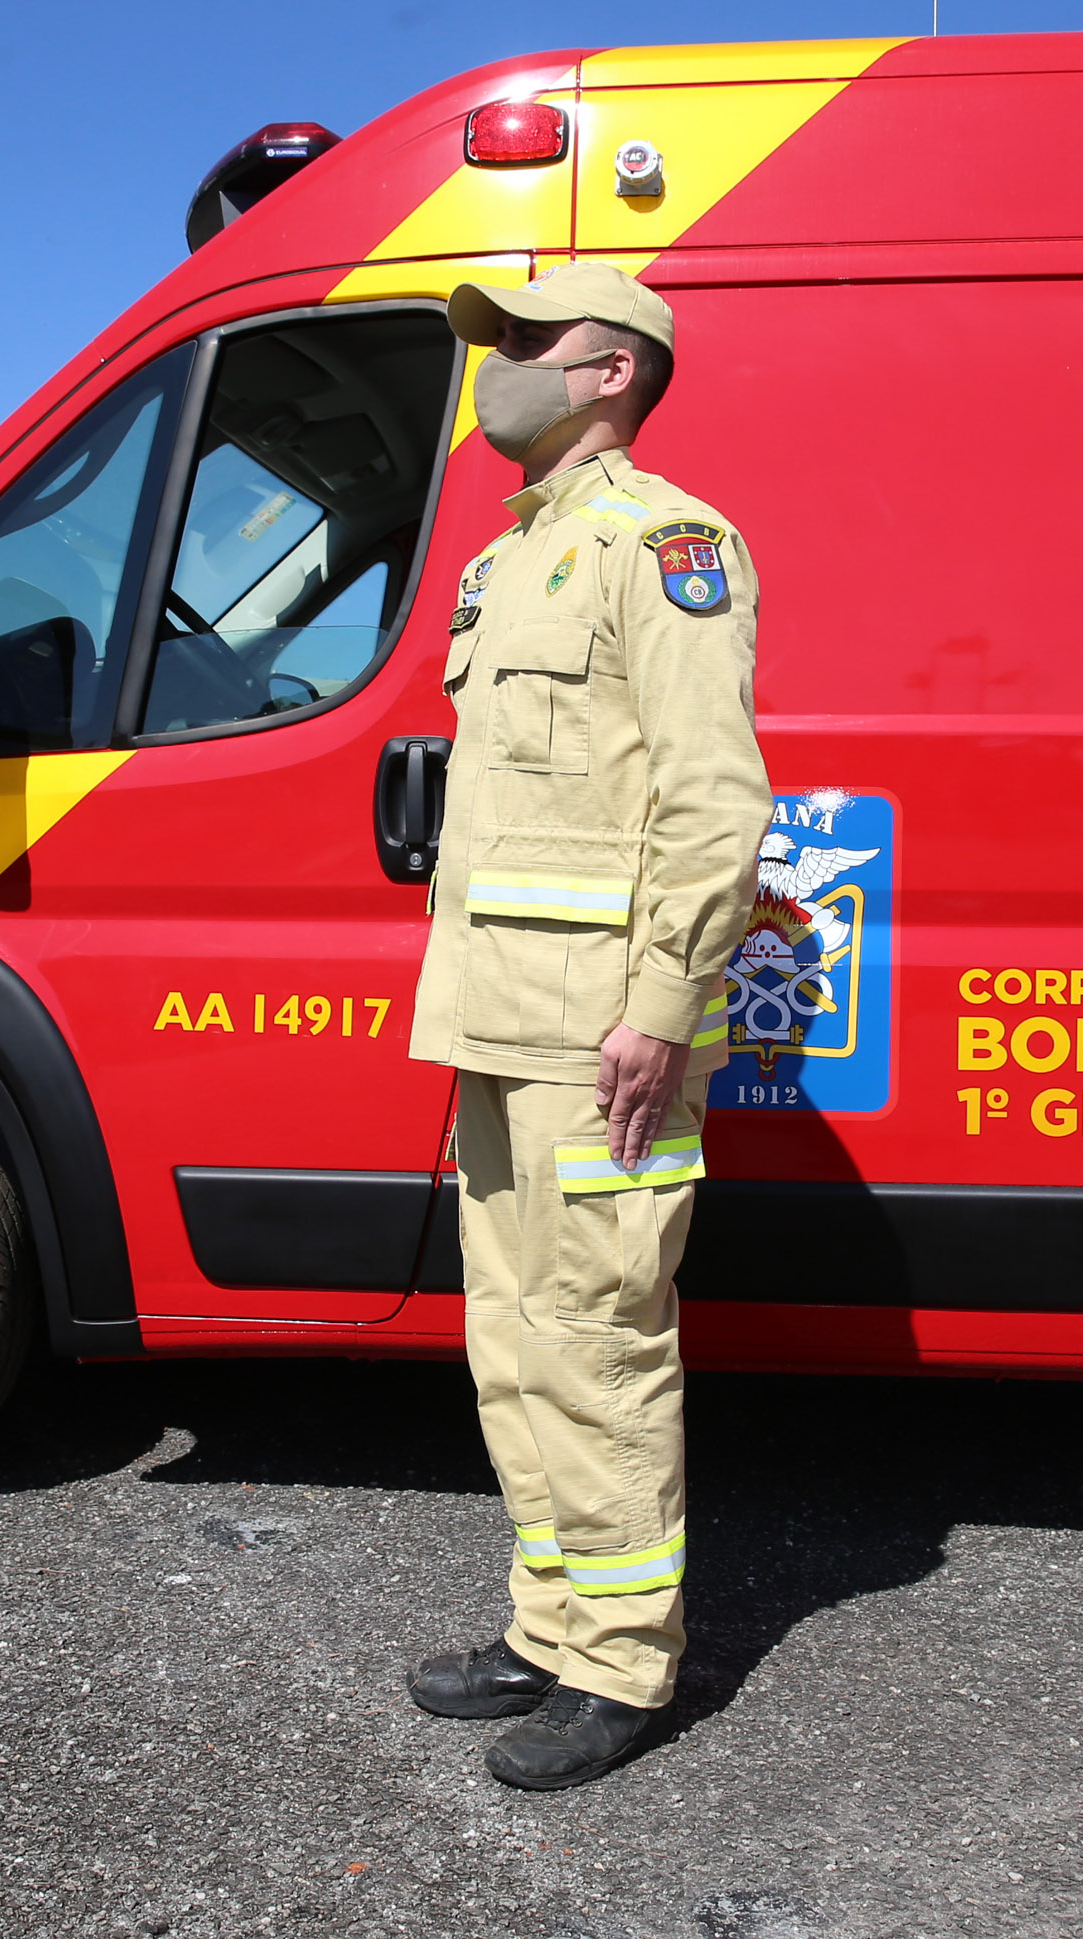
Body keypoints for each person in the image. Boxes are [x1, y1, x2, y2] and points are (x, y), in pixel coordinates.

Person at [402, 263, 772, 1791]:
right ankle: (549, 1626)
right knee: (513, 1341)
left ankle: (623, 1666)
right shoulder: (513, 561)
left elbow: (714, 804)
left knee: (601, 1345)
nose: (494, 372)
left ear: (613, 371)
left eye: (523, 348)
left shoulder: (667, 545)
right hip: (499, 1024)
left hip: (602, 1037)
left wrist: (662, 1010)